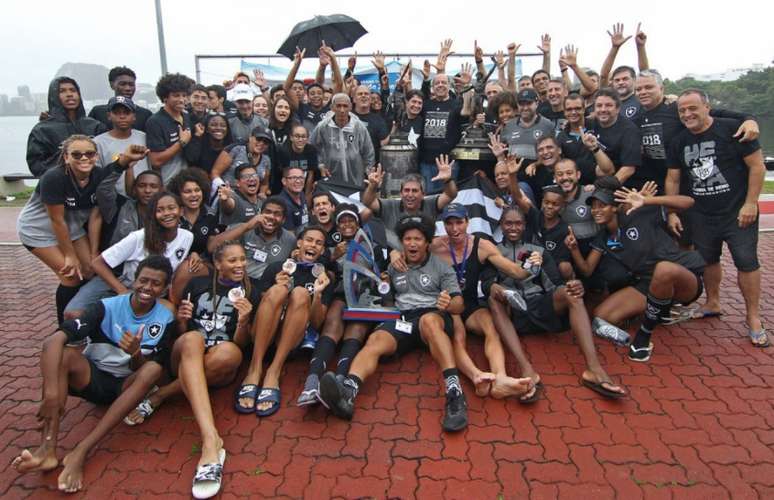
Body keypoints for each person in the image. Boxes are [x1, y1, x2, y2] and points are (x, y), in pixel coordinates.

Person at [11, 256, 174, 494]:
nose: (148, 288)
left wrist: (136, 353)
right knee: (64, 355)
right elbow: (52, 341)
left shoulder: (164, 318)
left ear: (165, 288)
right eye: (143, 280)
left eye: (156, 284)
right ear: (134, 280)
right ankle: (47, 449)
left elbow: (150, 374)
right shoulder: (107, 306)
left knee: (153, 368)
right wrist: (52, 394)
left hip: (127, 389)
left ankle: (82, 450)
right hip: (94, 378)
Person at [318, 215, 470, 432]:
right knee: (376, 339)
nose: (412, 243)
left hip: (431, 315)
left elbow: (459, 304)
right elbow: (384, 294)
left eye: (418, 239)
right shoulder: (394, 265)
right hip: (403, 318)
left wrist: (448, 304)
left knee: (429, 322)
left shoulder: (441, 267)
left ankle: (455, 393)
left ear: (427, 242)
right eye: (408, 239)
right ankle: (348, 394)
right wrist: (385, 284)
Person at [486, 205, 627, 398]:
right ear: (501, 225)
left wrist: (573, 286)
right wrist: (497, 289)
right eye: (508, 223)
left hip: (539, 306)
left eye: (518, 223)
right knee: (493, 298)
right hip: (512, 314)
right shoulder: (493, 252)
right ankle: (526, 370)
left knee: (571, 293)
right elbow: (486, 283)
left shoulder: (538, 251)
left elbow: (556, 284)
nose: (513, 228)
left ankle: (594, 369)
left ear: (525, 225)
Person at [665, 89, 767, 346]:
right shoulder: (679, 141)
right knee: (708, 259)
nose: (687, 114)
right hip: (701, 213)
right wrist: (673, 212)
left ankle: (753, 317)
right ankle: (713, 302)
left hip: (736, 211)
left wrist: (751, 204)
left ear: (707, 107)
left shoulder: (732, 130)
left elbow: (757, 166)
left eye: (692, 108)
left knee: (746, 261)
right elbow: (673, 178)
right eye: (682, 110)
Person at [565, 176, 706, 360]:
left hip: (683, 276)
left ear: (615, 208)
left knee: (663, 270)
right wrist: (574, 249)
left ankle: (643, 336)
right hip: (648, 284)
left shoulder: (639, 213)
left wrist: (647, 200)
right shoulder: (604, 237)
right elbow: (587, 270)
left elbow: (688, 202)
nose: (596, 211)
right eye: (594, 207)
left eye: (602, 206)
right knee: (602, 316)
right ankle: (656, 313)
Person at [16, 135, 144, 324]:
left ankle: (84, 317)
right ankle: (65, 327)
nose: (84, 158)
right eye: (77, 154)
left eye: (89, 153)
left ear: (95, 156)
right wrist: (70, 255)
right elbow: (56, 220)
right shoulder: (54, 177)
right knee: (71, 275)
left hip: (73, 228)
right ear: (66, 157)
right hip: (38, 230)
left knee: (90, 269)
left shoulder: (98, 176)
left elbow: (95, 216)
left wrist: (93, 253)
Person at [430, 203, 535, 400]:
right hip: (447, 306)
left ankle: (501, 378)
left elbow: (516, 271)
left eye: (459, 222)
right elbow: (409, 251)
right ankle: (475, 376)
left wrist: (533, 264)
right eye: (449, 223)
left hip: (469, 305)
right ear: (443, 225)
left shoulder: (482, 246)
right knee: (458, 336)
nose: (454, 229)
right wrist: (395, 255)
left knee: (490, 326)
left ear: (467, 222)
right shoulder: (435, 246)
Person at [235, 226, 333, 416]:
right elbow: (261, 304)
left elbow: (316, 323)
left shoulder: (324, 277)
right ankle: (254, 369)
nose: (313, 245)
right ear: (299, 243)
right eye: (309, 240)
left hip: (289, 342)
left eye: (318, 243)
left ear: (322, 251)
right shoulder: (277, 267)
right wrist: (276, 286)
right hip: (263, 336)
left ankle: (273, 371)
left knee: (301, 293)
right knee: (278, 290)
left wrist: (318, 295)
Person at [296, 204, 388, 406]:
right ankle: (311, 383)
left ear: (358, 223)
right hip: (340, 294)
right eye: (342, 221)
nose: (347, 225)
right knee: (333, 321)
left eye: (351, 220)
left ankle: (339, 380)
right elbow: (316, 269)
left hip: (365, 296)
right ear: (337, 226)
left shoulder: (373, 245)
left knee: (356, 328)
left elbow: (384, 271)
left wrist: (385, 275)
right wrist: (332, 256)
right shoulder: (329, 248)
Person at [65, 192, 194, 317]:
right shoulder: (139, 237)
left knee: (169, 313)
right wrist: (122, 291)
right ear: (153, 215)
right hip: (122, 282)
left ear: (181, 211)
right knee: (72, 313)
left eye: (171, 208)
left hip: (152, 292)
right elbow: (97, 263)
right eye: (160, 210)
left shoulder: (187, 237)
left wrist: (193, 255)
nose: (166, 214)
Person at [362, 157, 457, 250]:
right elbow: (368, 202)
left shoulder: (430, 204)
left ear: (423, 194)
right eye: (406, 190)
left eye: (414, 191)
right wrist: (372, 187)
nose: (410, 195)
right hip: (396, 258)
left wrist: (448, 180)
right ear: (401, 193)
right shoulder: (390, 206)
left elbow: (450, 195)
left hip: (424, 256)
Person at [27, 77, 107, 177]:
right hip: (58, 186)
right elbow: (36, 165)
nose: (69, 94)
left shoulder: (95, 126)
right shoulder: (42, 130)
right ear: (54, 96)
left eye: (73, 90)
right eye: (62, 91)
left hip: (91, 185)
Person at [209, 196, 297, 280]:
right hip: (240, 281)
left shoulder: (290, 239)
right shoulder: (243, 228)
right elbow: (212, 247)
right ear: (260, 213)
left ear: (283, 219)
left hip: (267, 285)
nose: (271, 217)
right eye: (267, 212)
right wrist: (247, 227)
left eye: (277, 214)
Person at [311, 93, 375, 187]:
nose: (342, 110)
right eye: (338, 106)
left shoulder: (358, 126)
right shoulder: (323, 127)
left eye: (345, 106)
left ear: (350, 107)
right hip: (331, 177)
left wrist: (369, 173)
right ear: (332, 107)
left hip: (356, 178)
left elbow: (368, 152)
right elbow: (312, 148)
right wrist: (320, 165)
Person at [94, 96, 150, 198]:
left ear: (134, 116)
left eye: (126, 113)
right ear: (109, 116)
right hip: (115, 200)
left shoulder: (144, 137)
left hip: (145, 196)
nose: (122, 116)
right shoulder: (98, 142)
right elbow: (97, 174)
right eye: (117, 113)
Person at [145, 73, 195, 185]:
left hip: (186, 180)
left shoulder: (186, 116)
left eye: (184, 95)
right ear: (165, 97)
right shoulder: (155, 121)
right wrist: (181, 143)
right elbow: (155, 161)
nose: (182, 99)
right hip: (167, 182)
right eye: (176, 95)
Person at [588, 88, 642, 187]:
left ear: (617, 109)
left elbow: (628, 169)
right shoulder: (592, 123)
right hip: (598, 177)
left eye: (608, 105)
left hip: (624, 185)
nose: (603, 109)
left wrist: (604, 188)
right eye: (599, 106)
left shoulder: (629, 131)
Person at [88, 66, 153, 132]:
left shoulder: (145, 115)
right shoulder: (98, 113)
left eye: (131, 85)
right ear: (112, 85)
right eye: (123, 84)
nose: (128, 88)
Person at [501, 88, 556, 164]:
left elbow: (555, 154)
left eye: (529, 103)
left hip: (540, 173)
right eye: (521, 104)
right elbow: (503, 153)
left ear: (537, 103)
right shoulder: (509, 126)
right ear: (517, 105)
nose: (525, 108)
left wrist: (536, 164)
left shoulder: (548, 125)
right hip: (515, 173)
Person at [274, 123, 320, 199]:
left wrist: (307, 195)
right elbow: (285, 176)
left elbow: (310, 174)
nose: (300, 140)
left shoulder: (311, 150)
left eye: (303, 137)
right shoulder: (283, 151)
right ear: (291, 137)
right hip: (288, 184)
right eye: (297, 136)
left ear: (307, 139)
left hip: (304, 183)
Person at [353, 84, 390, 162]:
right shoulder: (346, 117)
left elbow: (384, 144)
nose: (363, 96)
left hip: (371, 167)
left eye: (366, 94)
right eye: (360, 94)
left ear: (370, 99)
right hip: (349, 166)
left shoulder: (379, 120)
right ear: (354, 99)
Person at [278, 166, 309, 232]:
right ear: (284, 181)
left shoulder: (301, 194)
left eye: (301, 177)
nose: (298, 181)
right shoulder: (282, 205)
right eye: (293, 177)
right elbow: (289, 237)